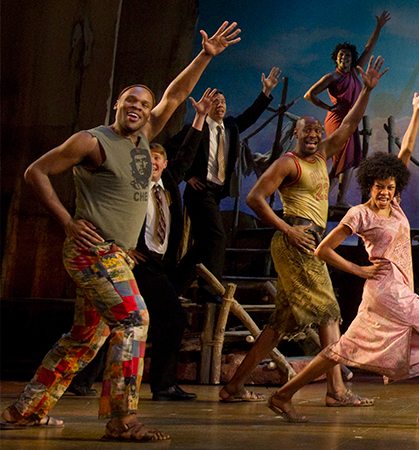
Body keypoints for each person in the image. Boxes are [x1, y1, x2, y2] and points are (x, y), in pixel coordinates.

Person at [3, 21, 241, 441]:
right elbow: (35, 171)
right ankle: (122, 419)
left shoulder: (144, 138)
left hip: (116, 255)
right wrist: (67, 221)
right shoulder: (90, 141)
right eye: (131, 100)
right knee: (133, 320)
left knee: (85, 338)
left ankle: (26, 410)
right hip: (91, 253)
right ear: (118, 103)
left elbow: (175, 96)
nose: (139, 107)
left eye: (145, 103)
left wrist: (205, 56)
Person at [267, 85, 419, 426]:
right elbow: (322, 249)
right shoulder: (359, 214)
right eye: (379, 187)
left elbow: (406, 149)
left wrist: (417, 110)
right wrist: (358, 271)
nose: (385, 192)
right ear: (368, 185)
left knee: (341, 351)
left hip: (393, 291)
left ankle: (282, 395)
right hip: (389, 291)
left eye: (390, 187)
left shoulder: (396, 205)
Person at [219, 55, 389, 409]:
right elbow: (255, 198)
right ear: (295, 134)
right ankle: (336, 390)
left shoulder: (322, 154)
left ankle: (233, 386)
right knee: (329, 312)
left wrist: (367, 91)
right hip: (295, 239)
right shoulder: (287, 162)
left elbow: (350, 123)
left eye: (316, 131)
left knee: (279, 325)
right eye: (306, 131)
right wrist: (287, 229)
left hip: (309, 240)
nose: (312, 135)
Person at [130, 90, 218, 402]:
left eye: (158, 158)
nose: (153, 162)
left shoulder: (167, 182)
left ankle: (162, 384)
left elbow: (187, 154)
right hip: (138, 263)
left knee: (151, 319)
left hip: (160, 264)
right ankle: (163, 384)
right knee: (167, 317)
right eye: (149, 157)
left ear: (165, 164)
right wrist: (126, 247)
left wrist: (200, 117)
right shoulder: (134, 185)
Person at [170, 68, 280, 298]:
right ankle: (211, 292)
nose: (220, 105)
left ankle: (175, 287)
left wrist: (266, 92)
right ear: (207, 106)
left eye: (223, 102)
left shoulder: (231, 127)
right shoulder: (196, 128)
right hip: (199, 192)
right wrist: (187, 176)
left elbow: (250, 116)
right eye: (215, 102)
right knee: (218, 237)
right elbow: (168, 150)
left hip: (216, 193)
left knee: (203, 243)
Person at [305, 11, 390, 207]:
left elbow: (368, 49)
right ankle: (332, 200)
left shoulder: (354, 73)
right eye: (341, 55)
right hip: (338, 121)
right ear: (336, 59)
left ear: (352, 59)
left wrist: (378, 27)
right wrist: (328, 106)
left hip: (351, 121)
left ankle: (329, 200)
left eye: (348, 55)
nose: (345, 57)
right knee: (342, 159)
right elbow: (310, 94)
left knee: (347, 161)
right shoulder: (332, 77)